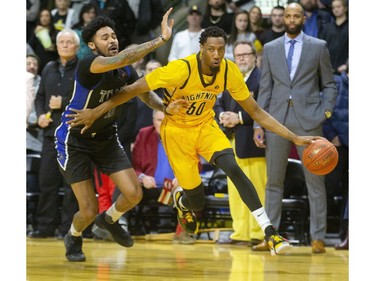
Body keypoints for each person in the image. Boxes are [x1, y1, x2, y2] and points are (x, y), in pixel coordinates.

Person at [67, 25, 321, 256]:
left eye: (221, 49)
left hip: (205, 126)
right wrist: (97, 111)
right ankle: (182, 200)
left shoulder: (228, 71)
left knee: (233, 168)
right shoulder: (180, 69)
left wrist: (295, 137)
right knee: (196, 201)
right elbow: (132, 90)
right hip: (177, 133)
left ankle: (270, 232)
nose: (217, 55)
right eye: (211, 49)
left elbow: (256, 112)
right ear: (201, 49)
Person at [54, 9, 174, 262]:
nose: (112, 40)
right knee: (87, 210)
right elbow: (124, 57)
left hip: (106, 137)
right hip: (74, 140)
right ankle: (73, 235)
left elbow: (143, 92)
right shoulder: (90, 63)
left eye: (113, 36)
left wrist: (165, 108)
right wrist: (161, 40)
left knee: (134, 194)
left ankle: (109, 219)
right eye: (104, 37)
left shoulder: (125, 70)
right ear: (92, 45)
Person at [251, 2, 337, 254]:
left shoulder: (318, 46)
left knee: (315, 180)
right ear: (282, 19)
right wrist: (258, 123)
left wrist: (325, 111)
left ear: (303, 18)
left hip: (309, 120)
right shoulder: (270, 48)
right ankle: (271, 236)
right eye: (287, 15)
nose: (290, 19)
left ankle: (318, 237)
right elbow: (265, 88)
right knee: (273, 182)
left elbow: (330, 84)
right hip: (275, 120)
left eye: (295, 15)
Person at [29, 29, 81, 239]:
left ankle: (68, 228)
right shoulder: (49, 67)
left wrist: (64, 103)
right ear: (57, 45)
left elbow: (87, 99)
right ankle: (44, 226)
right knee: (47, 182)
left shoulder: (82, 69)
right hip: (50, 135)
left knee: (71, 185)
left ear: (77, 47)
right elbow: (40, 97)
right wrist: (41, 115)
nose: (65, 45)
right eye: (62, 42)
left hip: (73, 136)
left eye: (69, 42)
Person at [215, 41, 265, 247]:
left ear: (254, 56)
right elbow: (217, 101)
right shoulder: (230, 77)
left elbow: (264, 108)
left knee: (257, 188)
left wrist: (240, 118)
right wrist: (222, 115)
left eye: (246, 54)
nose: (242, 58)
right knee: (235, 189)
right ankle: (240, 232)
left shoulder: (261, 78)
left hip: (254, 141)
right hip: (231, 140)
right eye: (238, 55)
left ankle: (258, 232)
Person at [131, 109, 195, 243]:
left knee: (189, 192)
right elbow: (134, 167)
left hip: (175, 188)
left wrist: (183, 177)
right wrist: (143, 177)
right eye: (160, 120)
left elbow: (195, 164)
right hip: (150, 188)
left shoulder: (182, 136)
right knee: (128, 190)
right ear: (153, 121)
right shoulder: (144, 135)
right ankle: (124, 226)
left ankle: (182, 231)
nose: (163, 124)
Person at [323, 61, 348, 250]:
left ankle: (346, 235)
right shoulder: (336, 83)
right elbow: (323, 112)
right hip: (337, 145)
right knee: (328, 189)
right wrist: (331, 136)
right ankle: (319, 234)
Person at [319, 0, 348, 74]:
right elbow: (320, 48)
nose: (336, 9)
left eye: (338, 7)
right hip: (327, 71)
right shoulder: (327, 28)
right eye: (333, 7)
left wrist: (348, 65)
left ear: (345, 8)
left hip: (345, 72)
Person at [28, 9, 59, 74]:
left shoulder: (56, 32)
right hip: (38, 63)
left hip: (52, 62)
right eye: (41, 16)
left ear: (51, 18)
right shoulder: (35, 30)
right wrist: (34, 34)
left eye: (47, 16)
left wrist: (54, 48)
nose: (44, 18)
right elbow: (29, 47)